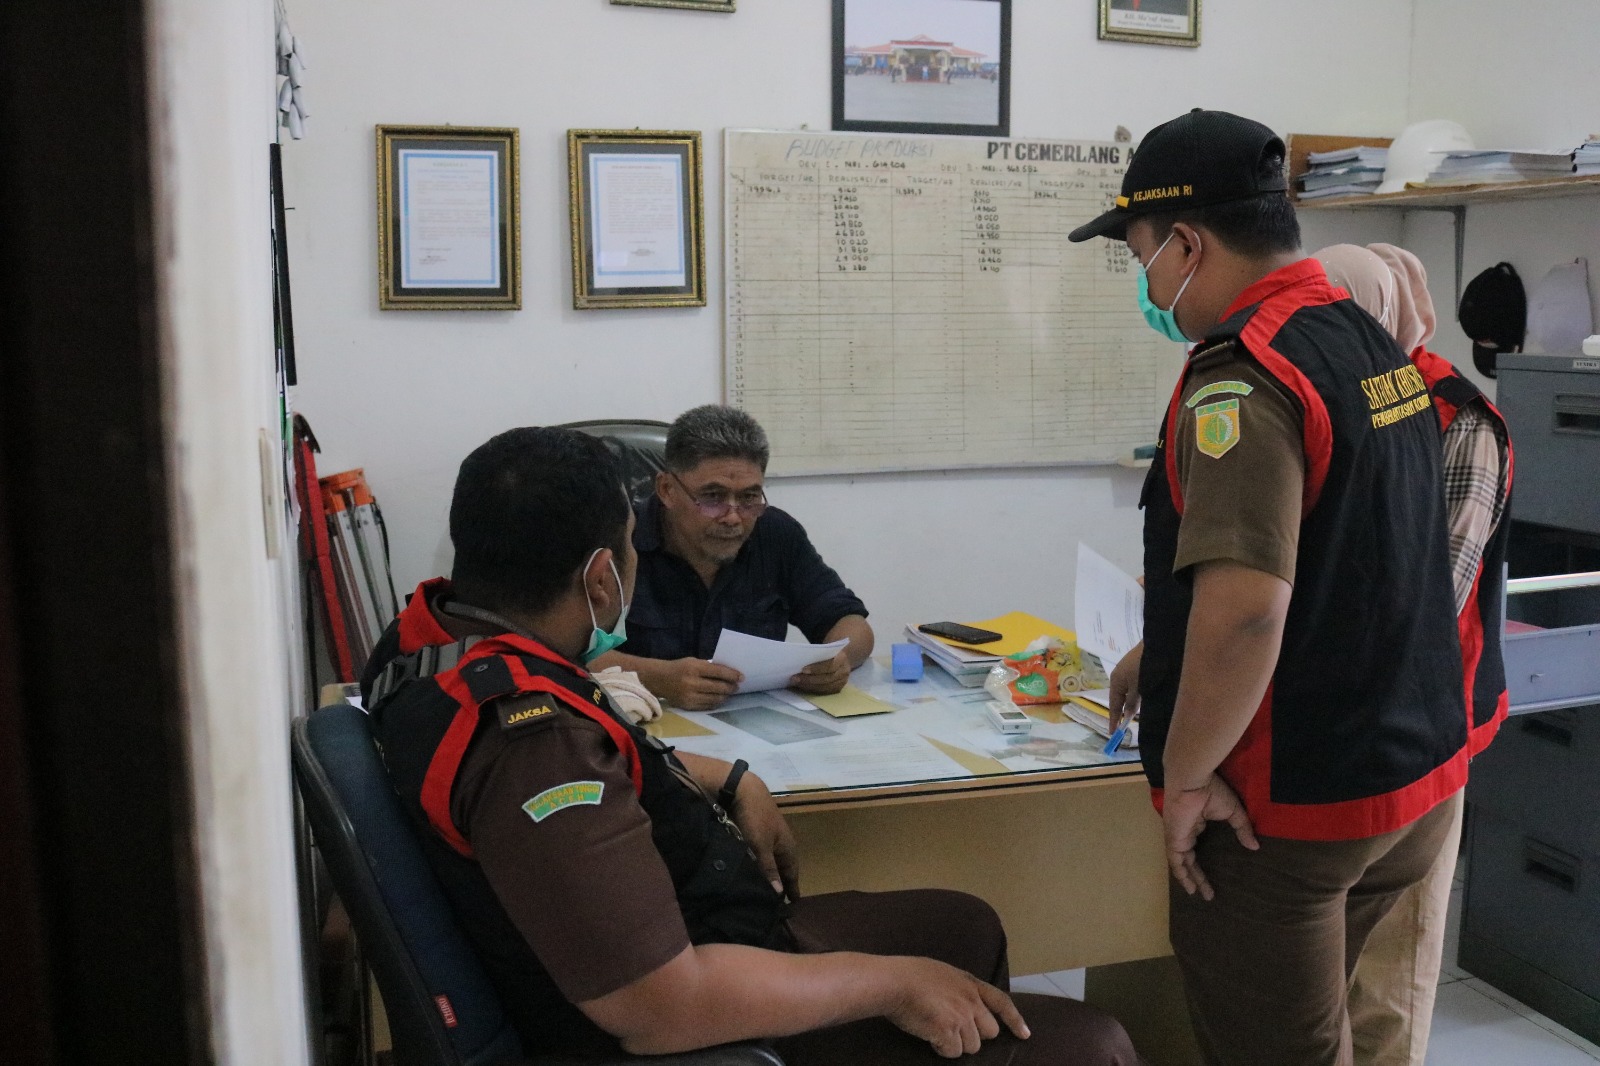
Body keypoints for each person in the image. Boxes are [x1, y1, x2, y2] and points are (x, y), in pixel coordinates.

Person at [361, 426, 1139, 1065]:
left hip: (685, 932)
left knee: (964, 926)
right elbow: (658, 1006)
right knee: (1092, 1043)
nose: (732, 513)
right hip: (688, 1033)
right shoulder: (534, 743)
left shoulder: (429, 648)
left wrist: (724, 776)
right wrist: (893, 984)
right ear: (603, 580)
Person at [1069, 110, 1467, 1065]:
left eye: (1141, 256)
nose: (1147, 283)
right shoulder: (1366, 340)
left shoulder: (1240, 378)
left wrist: (1191, 772)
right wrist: (1161, 653)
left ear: (1188, 245)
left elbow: (1250, 612)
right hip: (1412, 772)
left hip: (1290, 806)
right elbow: (1353, 551)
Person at [1315, 242, 1513, 1066]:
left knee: (1386, 984)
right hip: (1325, 726)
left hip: (1420, 734)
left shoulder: (1455, 416)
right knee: (1311, 977)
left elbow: (1430, 598)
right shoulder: (1320, 395)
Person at [593, 405, 874, 711]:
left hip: (757, 732)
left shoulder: (776, 534)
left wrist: (837, 661)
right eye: (713, 497)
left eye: (749, 497)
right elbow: (564, 652)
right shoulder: (617, 542)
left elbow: (851, 623)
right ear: (667, 489)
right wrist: (657, 678)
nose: (733, 517)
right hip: (642, 728)